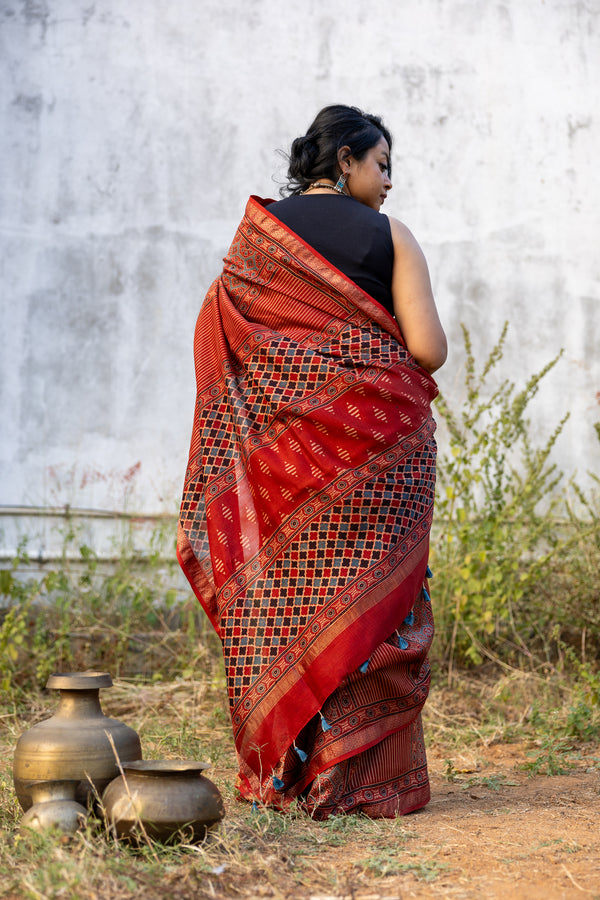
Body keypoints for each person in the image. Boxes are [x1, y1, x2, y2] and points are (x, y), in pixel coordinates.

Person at [177, 104, 447, 819]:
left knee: (292, 602)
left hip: (286, 463)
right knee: (373, 612)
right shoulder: (392, 237)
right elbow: (428, 351)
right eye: (382, 164)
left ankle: (289, 778)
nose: (389, 181)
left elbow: (221, 331)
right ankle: (355, 783)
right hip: (383, 455)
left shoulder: (257, 240)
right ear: (348, 160)